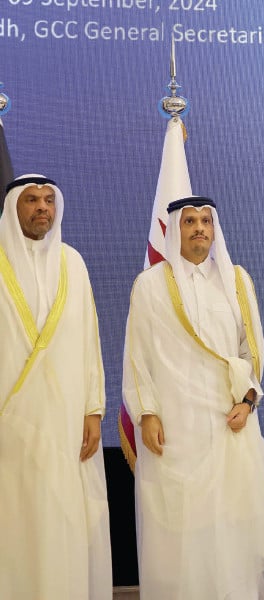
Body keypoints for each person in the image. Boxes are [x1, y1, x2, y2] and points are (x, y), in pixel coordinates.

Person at [122, 196, 264, 599]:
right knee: (180, 533)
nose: (199, 229)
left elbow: (253, 350)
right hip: (176, 430)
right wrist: (147, 413)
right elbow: (137, 357)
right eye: (190, 221)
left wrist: (247, 402)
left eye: (206, 221)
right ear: (176, 229)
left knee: (231, 528)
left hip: (231, 426)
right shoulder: (150, 284)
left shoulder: (237, 281)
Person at [0, 174, 112, 599]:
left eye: (48, 200)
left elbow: (89, 341)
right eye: (32, 200)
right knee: (15, 519)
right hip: (11, 421)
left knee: (62, 514)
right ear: (14, 207)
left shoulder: (73, 262)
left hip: (66, 418)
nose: (42, 207)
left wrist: (93, 409)